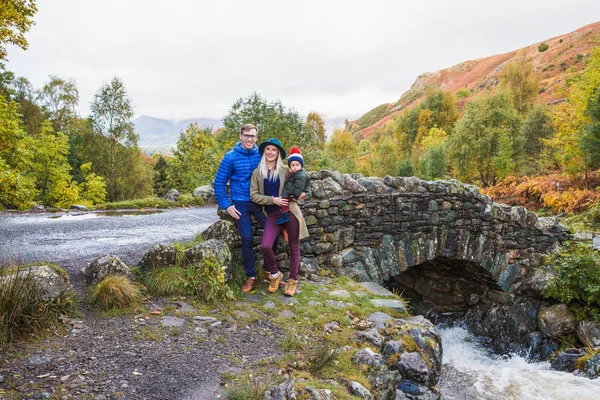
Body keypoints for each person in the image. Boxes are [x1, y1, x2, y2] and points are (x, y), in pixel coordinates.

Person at [213, 124, 276, 293]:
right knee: (247, 238)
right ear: (240, 136)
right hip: (240, 202)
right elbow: (218, 184)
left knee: (274, 232)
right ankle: (251, 276)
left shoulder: (261, 155)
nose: (249, 139)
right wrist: (227, 205)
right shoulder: (230, 157)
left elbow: (276, 171)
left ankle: (269, 271)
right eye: (246, 135)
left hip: (259, 201)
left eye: (253, 136)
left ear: (257, 138)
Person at [250, 138, 309, 297]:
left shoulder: (285, 170)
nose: (270, 152)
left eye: (273, 150)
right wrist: (272, 200)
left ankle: (292, 281)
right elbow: (253, 195)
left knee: (294, 246)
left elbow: (302, 178)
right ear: (264, 152)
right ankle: (275, 275)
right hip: (272, 214)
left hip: (289, 211)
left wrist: (302, 193)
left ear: (278, 153)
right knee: (266, 246)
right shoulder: (258, 172)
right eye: (267, 149)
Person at [276, 146, 310, 225]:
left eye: (297, 165)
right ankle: (284, 213)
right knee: (284, 200)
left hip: (291, 193)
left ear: (301, 165)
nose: (295, 167)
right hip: (290, 191)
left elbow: (299, 187)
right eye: (293, 165)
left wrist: (295, 196)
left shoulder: (300, 175)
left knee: (284, 200)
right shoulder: (295, 173)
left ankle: (284, 214)